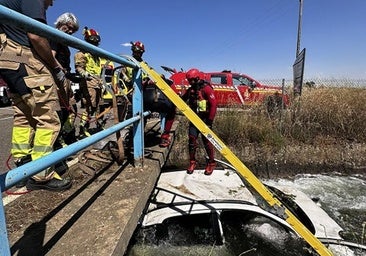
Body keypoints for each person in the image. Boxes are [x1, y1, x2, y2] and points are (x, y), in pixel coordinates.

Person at [0, 0, 72, 191]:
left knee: (24, 117)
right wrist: (56, 68)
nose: (50, 4)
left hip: (8, 61)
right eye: (49, 3)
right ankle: (41, 175)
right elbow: (36, 35)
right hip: (25, 58)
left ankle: (23, 165)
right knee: (48, 118)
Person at [122, 41, 177, 148]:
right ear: (133, 50)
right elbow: (124, 78)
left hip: (144, 93)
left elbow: (150, 74)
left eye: (140, 52)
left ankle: (139, 138)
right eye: (137, 51)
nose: (139, 53)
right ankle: (135, 138)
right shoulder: (127, 63)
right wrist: (135, 82)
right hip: (135, 93)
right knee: (140, 116)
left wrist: (157, 77)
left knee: (166, 110)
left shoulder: (144, 64)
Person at [74, 27, 110, 138]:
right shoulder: (82, 53)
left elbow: (100, 70)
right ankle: (83, 129)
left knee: (98, 106)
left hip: (98, 83)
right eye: (92, 39)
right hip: (88, 82)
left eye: (96, 39)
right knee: (88, 107)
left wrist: (103, 83)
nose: (95, 41)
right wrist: (85, 75)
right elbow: (79, 68)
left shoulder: (97, 56)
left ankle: (97, 125)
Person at [51, 12, 79, 147]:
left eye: (74, 29)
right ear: (61, 23)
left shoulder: (62, 40)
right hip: (57, 78)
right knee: (60, 112)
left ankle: (66, 135)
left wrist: (70, 75)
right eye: (69, 27)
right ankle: (59, 141)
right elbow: (51, 56)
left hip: (64, 78)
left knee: (72, 108)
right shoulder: (54, 36)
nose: (71, 31)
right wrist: (60, 71)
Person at [184, 68, 217, 175]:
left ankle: (211, 163)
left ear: (197, 78)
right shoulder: (191, 90)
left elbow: (213, 105)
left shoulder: (206, 89)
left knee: (207, 142)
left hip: (205, 120)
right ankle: (192, 162)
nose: (190, 83)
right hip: (194, 120)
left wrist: (210, 121)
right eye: (189, 81)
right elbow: (181, 99)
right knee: (192, 140)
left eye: (191, 80)